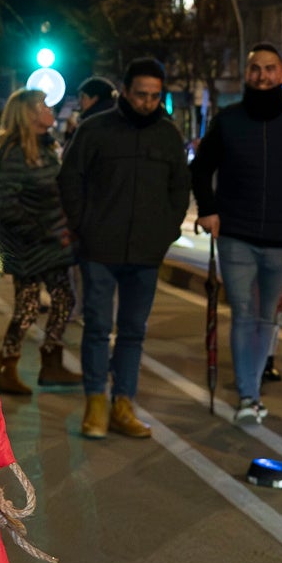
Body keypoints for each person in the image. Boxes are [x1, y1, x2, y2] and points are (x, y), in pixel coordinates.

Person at [190, 43, 282, 425]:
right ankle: (248, 395)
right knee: (245, 315)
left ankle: (252, 387)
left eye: (270, 69)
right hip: (235, 234)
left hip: (281, 238)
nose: (262, 75)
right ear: (246, 75)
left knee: (267, 317)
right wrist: (209, 209)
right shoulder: (228, 120)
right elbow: (200, 169)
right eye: (255, 69)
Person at [58, 58, 189, 438]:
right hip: (99, 249)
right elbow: (70, 179)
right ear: (125, 92)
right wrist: (84, 226)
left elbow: (180, 186)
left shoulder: (168, 135)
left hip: (146, 252)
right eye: (141, 95)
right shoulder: (95, 130)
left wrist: (166, 231)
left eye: (154, 96)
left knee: (133, 330)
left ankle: (123, 403)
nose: (148, 102)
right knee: (98, 326)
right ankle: (95, 402)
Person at [0, 87, 77, 394]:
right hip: (29, 244)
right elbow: (5, 204)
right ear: (28, 115)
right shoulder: (14, 152)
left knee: (63, 298)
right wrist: (39, 229)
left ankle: (50, 362)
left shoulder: (45, 146)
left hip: (50, 241)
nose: (49, 108)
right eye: (42, 105)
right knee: (28, 307)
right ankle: (7, 366)